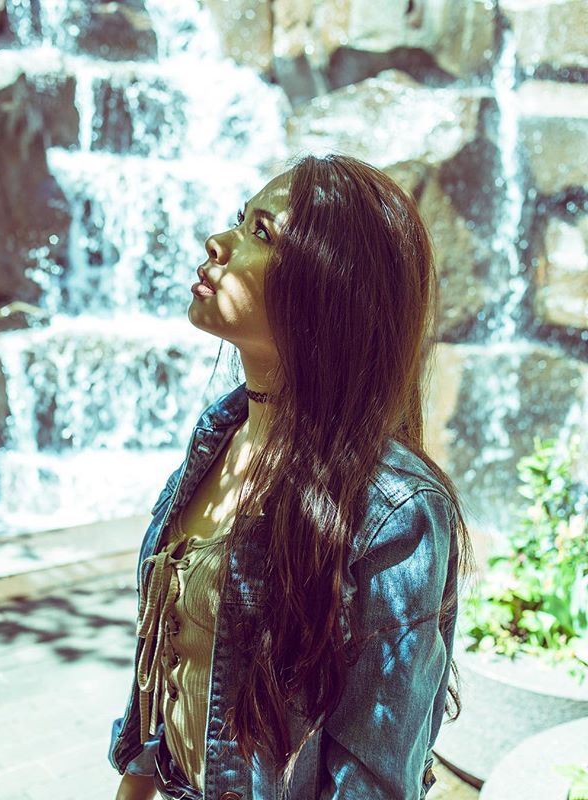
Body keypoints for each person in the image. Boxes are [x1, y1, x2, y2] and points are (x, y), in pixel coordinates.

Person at [109, 152, 474, 800]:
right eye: (238, 221)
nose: (215, 243)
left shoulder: (395, 510)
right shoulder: (217, 439)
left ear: (327, 289)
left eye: (260, 233)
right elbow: (162, 674)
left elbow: (369, 782)